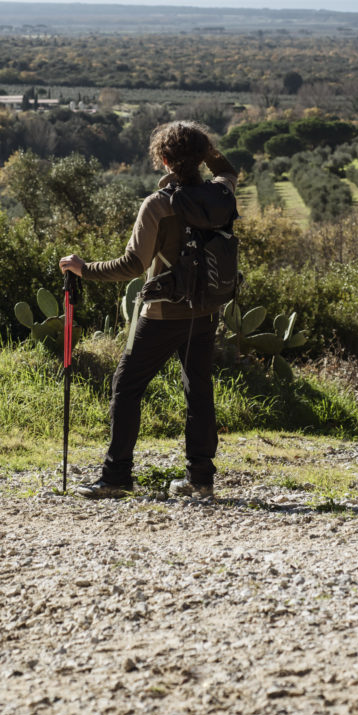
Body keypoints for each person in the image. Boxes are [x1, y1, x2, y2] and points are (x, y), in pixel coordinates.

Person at [59, 120, 238, 499]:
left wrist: (83, 269)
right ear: (201, 157)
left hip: (161, 315)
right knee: (199, 392)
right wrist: (205, 151)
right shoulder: (221, 194)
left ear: (164, 159)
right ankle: (200, 480)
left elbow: (132, 265)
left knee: (126, 387)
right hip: (206, 312)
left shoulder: (157, 205)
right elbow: (227, 170)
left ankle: (116, 477)